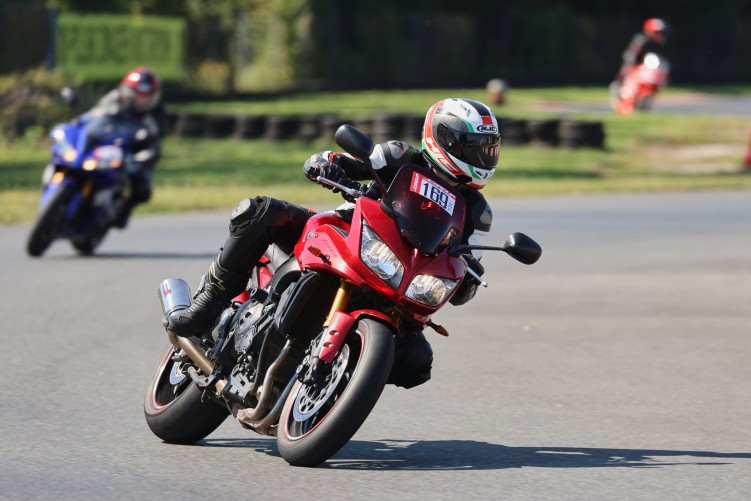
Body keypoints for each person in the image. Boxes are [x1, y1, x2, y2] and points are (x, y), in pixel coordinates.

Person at [164, 98, 500, 389]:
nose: (486, 156)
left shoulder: (476, 212)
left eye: (490, 148)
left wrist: (468, 278)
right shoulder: (400, 156)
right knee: (263, 212)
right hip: (346, 236)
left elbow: (467, 263)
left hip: (401, 277)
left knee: (416, 361)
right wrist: (330, 165)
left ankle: (345, 376)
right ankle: (206, 305)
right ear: (447, 139)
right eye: (477, 148)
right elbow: (343, 160)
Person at [88, 66, 166, 227]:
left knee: (142, 190)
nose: (141, 100)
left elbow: (156, 144)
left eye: (146, 96)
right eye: (138, 95)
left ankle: (121, 211)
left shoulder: (157, 114)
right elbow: (94, 118)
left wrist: (144, 157)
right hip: (106, 146)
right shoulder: (114, 99)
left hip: (134, 152)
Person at [614, 18, 671, 86]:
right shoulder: (641, 41)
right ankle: (618, 84)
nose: (660, 36)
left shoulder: (657, 44)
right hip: (636, 69)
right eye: (657, 33)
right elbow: (631, 56)